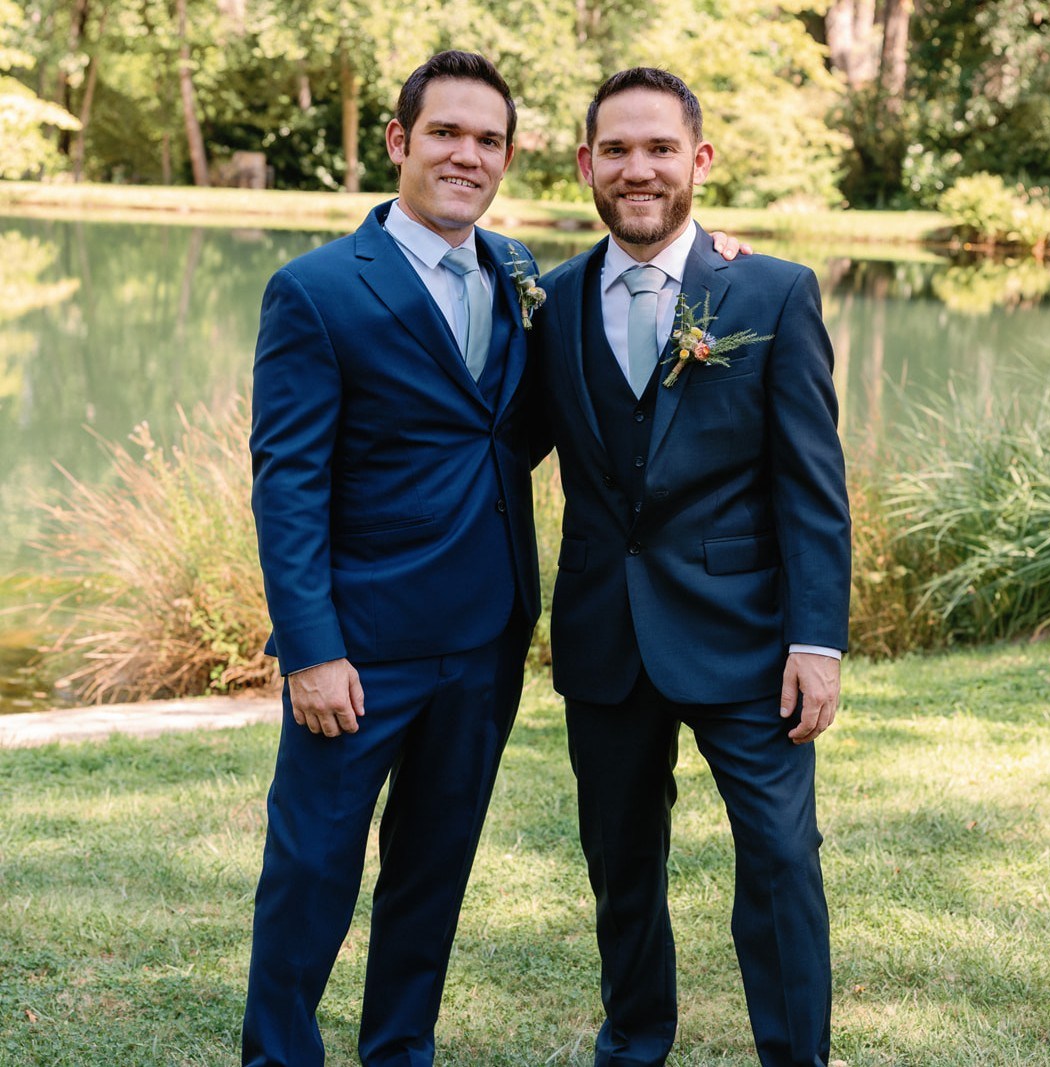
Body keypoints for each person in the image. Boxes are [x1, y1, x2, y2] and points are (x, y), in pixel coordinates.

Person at [244, 46, 750, 1067]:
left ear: (511, 157)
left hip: (482, 639)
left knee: (431, 872)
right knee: (312, 872)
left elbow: (578, 364)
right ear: (399, 141)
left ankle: (399, 1050)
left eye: (486, 139)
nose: (465, 155)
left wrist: (704, 257)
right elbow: (286, 482)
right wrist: (309, 646)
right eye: (444, 132)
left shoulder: (521, 276)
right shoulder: (316, 291)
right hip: (360, 645)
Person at [531, 68, 851, 1067]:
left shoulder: (770, 290)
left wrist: (816, 640)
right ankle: (632, 1040)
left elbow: (810, 484)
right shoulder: (546, 300)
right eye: (616, 150)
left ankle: (793, 1053)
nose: (638, 169)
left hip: (747, 632)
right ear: (586, 164)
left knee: (780, 857)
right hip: (601, 630)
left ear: (697, 160)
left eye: (659, 148)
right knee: (620, 864)